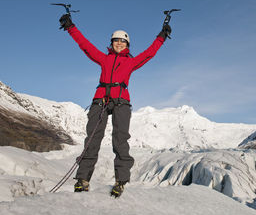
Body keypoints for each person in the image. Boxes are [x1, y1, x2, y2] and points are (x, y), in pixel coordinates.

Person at [58, 13, 171, 197]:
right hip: (100, 100)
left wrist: (162, 36)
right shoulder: (104, 59)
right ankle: (82, 180)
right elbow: (85, 45)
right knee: (92, 140)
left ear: (127, 45)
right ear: (112, 43)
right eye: (115, 41)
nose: (119, 43)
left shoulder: (131, 62)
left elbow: (150, 52)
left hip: (121, 101)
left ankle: (120, 181)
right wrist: (71, 27)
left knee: (120, 140)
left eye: (122, 41)